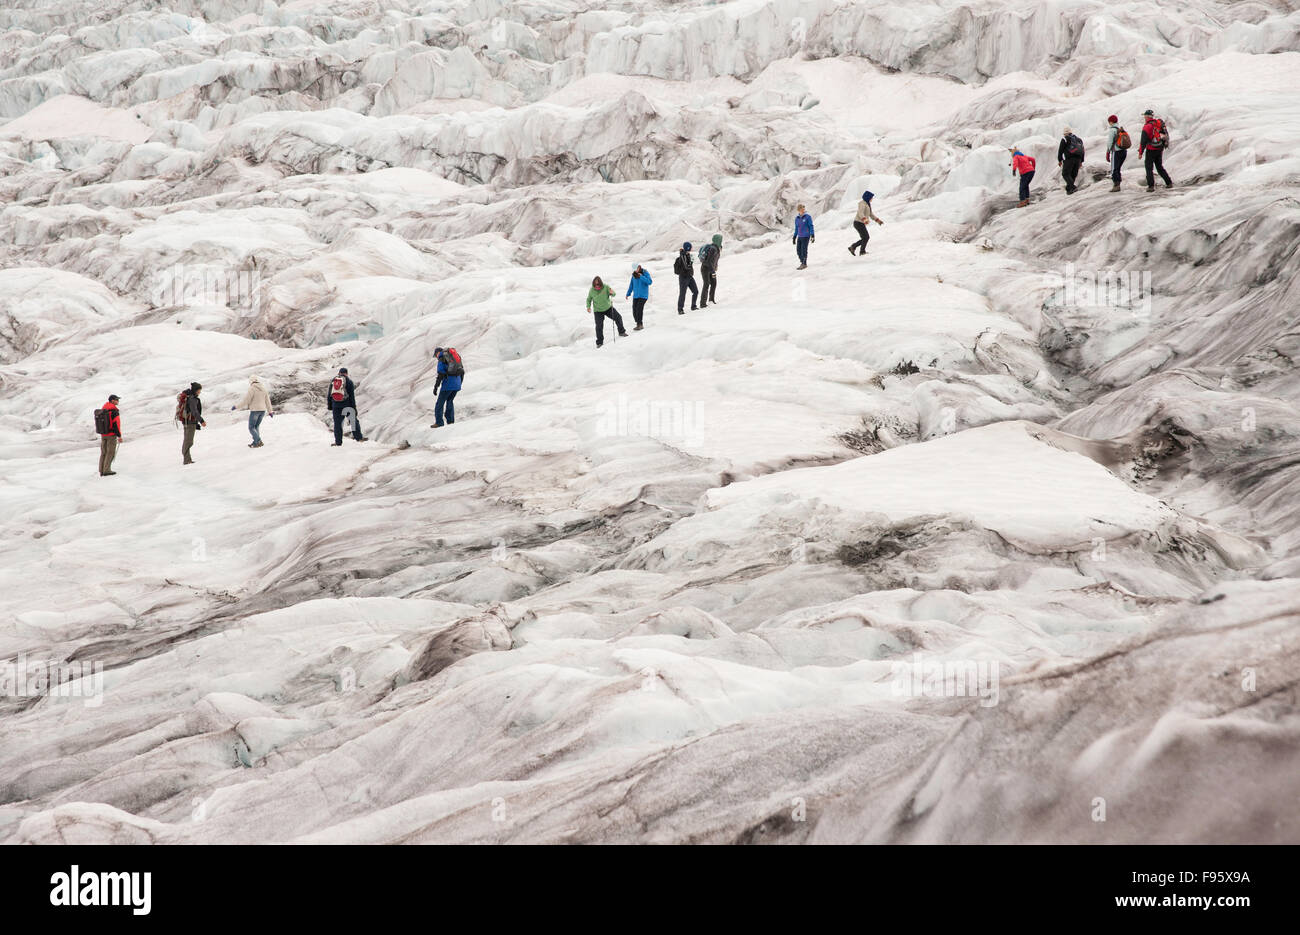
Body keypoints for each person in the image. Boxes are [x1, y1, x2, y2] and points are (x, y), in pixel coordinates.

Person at [326, 367, 366, 445]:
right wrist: (354, 408)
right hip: (347, 406)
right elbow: (352, 397)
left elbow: (329, 394)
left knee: (338, 424)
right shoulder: (349, 382)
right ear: (346, 373)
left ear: (339, 373)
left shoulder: (334, 381)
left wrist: (330, 405)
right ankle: (359, 438)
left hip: (336, 406)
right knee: (353, 422)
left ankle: (338, 442)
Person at [586, 275, 627, 348]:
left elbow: (613, 294)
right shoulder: (592, 290)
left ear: (601, 283)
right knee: (599, 326)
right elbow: (588, 299)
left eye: (598, 284)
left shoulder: (606, 287)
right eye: (595, 284)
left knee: (618, 317)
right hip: (598, 311)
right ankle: (599, 342)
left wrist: (612, 292)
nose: (597, 286)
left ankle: (622, 332)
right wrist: (588, 307)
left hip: (608, 308)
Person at [233, 374, 273, 448]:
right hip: (262, 411)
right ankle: (256, 442)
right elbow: (268, 401)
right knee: (256, 426)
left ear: (251, 381)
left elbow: (246, 401)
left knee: (251, 427)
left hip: (255, 411)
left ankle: (258, 441)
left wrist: (236, 406)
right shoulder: (264, 389)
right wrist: (270, 411)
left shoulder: (252, 389)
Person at [1139, 108, 1173, 192]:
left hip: (1151, 149)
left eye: (1145, 116)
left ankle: (1151, 186)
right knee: (1159, 167)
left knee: (1149, 168)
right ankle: (1169, 182)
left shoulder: (1147, 126)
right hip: (1159, 148)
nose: (1144, 118)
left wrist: (1140, 152)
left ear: (1147, 117)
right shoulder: (1158, 123)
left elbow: (1143, 141)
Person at [430, 347, 463, 427]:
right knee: (450, 401)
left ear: (438, 353)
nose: (436, 357)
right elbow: (462, 371)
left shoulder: (442, 358)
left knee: (439, 404)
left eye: (436, 355)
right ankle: (450, 421)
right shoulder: (455, 357)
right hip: (457, 383)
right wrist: (459, 383)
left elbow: (441, 373)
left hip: (448, 384)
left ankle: (439, 422)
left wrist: (436, 387)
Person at [180, 382, 205, 464]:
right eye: (198, 390)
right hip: (190, 423)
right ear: (195, 390)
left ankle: (187, 459)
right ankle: (187, 460)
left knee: (187, 440)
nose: (199, 392)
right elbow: (194, 412)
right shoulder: (192, 399)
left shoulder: (190, 397)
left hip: (187, 422)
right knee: (189, 441)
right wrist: (201, 421)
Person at [97, 394, 121, 476]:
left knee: (104, 452)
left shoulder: (104, 409)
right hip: (111, 434)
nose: (118, 401)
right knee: (110, 452)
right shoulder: (114, 411)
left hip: (103, 433)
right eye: (116, 399)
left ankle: (101, 469)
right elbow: (116, 424)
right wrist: (119, 436)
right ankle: (107, 470)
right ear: (112, 401)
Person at [1057, 127, 1085, 194]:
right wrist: (1081, 161)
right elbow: (1083, 150)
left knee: (1065, 174)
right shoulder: (1078, 139)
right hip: (1078, 159)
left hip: (1069, 159)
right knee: (1073, 175)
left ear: (1064, 133)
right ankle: (1069, 190)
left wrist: (1060, 160)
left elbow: (1060, 150)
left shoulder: (1065, 139)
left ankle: (1073, 187)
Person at [673, 243, 698, 315]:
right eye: (690, 247)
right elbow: (686, 266)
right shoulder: (683, 255)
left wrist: (691, 261)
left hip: (689, 276)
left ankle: (693, 306)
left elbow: (688, 266)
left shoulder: (687, 254)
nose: (691, 248)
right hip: (683, 277)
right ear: (688, 248)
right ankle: (680, 309)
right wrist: (691, 262)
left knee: (695, 291)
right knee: (682, 293)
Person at [626, 265, 653, 331]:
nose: (636, 270)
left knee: (639, 309)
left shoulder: (645, 273)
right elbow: (631, 285)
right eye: (634, 269)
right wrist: (628, 293)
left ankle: (640, 324)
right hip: (636, 295)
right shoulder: (633, 275)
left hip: (643, 295)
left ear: (639, 267)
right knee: (634, 310)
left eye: (637, 269)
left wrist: (641, 276)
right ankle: (638, 322)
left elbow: (649, 282)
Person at [1105, 115, 1127, 191]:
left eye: (1109, 122)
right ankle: (1118, 183)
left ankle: (1116, 185)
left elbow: (1110, 142)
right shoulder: (1119, 129)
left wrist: (1108, 152)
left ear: (1111, 122)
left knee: (1114, 169)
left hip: (1116, 152)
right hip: (1123, 151)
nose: (1109, 123)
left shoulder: (1112, 130)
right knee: (1118, 168)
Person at [699, 234, 722, 306]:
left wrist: (715, 267)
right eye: (720, 240)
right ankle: (702, 303)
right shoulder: (713, 249)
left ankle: (711, 300)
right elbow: (708, 261)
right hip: (705, 269)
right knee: (706, 284)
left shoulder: (717, 248)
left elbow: (714, 260)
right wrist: (712, 271)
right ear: (717, 240)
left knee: (713, 283)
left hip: (711, 269)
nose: (721, 241)